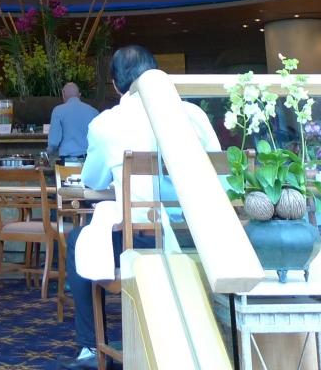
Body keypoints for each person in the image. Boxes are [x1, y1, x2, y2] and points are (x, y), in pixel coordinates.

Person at [61, 46, 220, 370]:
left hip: (141, 238)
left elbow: (92, 179)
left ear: (115, 84)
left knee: (78, 240)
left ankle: (90, 347)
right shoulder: (193, 114)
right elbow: (220, 170)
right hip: (199, 237)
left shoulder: (107, 123)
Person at [47, 82, 99, 163]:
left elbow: (53, 143)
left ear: (63, 94)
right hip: (89, 160)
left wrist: (48, 153)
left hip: (67, 160)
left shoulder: (58, 111)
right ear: (79, 95)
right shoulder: (94, 111)